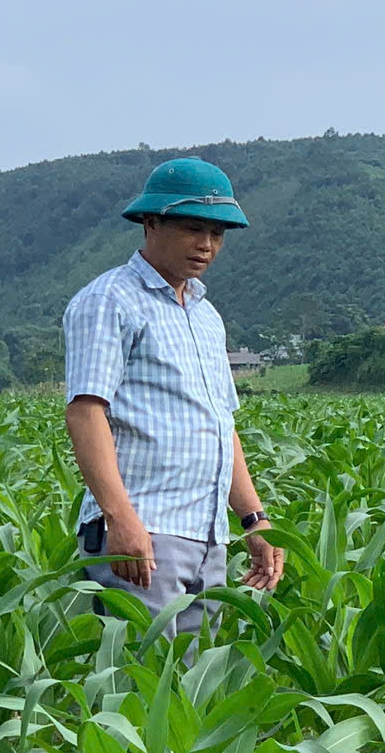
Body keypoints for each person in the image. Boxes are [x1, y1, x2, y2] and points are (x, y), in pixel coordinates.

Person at [62, 156, 284, 637]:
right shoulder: (110, 301)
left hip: (206, 536)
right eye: (191, 228)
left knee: (191, 694)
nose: (206, 244)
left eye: (217, 233)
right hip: (144, 535)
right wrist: (120, 519)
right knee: (138, 690)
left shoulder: (205, 315)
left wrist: (254, 519)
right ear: (150, 222)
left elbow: (221, 424)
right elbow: (85, 412)